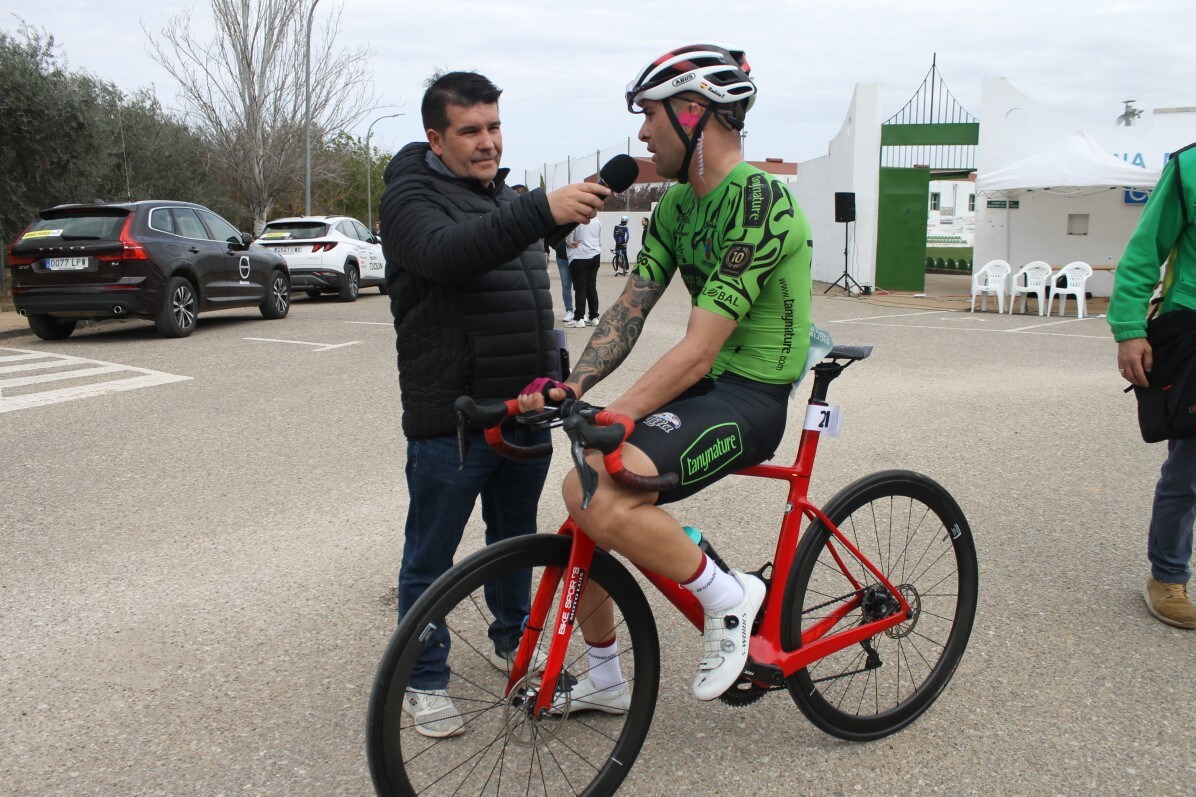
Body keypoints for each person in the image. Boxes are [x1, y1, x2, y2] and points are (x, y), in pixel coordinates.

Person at [520, 44, 814, 709]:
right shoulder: (677, 209)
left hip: (751, 392)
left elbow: (699, 350)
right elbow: (629, 306)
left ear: (693, 112)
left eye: (650, 114)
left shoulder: (762, 200)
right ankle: (605, 677)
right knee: (584, 493)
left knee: (598, 486)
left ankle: (731, 597)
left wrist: (619, 411)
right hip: (704, 389)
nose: (644, 132)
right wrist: (578, 385)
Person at [379, 69, 610, 736]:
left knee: (514, 542)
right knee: (430, 556)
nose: (488, 142)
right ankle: (422, 679)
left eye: (494, 127)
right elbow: (449, 257)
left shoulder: (498, 196)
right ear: (435, 137)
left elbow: (527, 303)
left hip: (523, 413)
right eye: (471, 130)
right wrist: (540, 210)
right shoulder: (411, 201)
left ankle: (516, 642)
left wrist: (555, 372)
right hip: (451, 423)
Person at [1109, 141, 1196, 630]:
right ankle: (1167, 576)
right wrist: (1130, 328)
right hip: (1193, 327)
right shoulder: (1190, 167)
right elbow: (1145, 252)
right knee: (1189, 469)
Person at [566, 214, 601, 327]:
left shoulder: (576, 219)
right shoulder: (597, 220)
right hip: (595, 254)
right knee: (591, 287)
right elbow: (598, 238)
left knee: (580, 288)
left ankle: (579, 317)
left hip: (579, 255)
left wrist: (568, 243)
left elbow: (570, 237)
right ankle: (594, 316)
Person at [552, 237, 574, 322]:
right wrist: (557, 246)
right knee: (566, 285)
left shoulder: (578, 224)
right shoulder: (560, 224)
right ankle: (569, 310)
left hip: (577, 256)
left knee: (580, 285)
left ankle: (580, 311)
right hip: (562, 257)